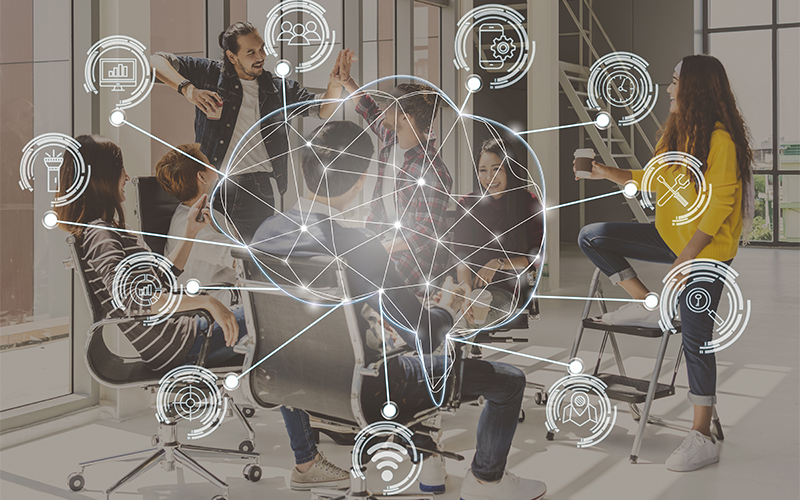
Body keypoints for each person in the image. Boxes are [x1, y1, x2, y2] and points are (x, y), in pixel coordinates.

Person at [252, 121, 547, 500]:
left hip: (292, 381)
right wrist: (446, 305)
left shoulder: (266, 233)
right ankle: (487, 482)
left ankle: (425, 463)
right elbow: (424, 337)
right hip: (367, 386)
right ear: (360, 182)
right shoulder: (359, 247)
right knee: (507, 380)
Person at [575, 55, 754, 472]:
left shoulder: (720, 140)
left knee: (695, 333)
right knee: (592, 236)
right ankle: (648, 302)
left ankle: (701, 434)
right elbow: (651, 178)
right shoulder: (676, 135)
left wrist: (686, 260)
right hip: (670, 239)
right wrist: (606, 172)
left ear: (693, 88)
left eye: (674, 82)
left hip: (706, 253)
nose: (668, 88)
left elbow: (718, 207)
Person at [55, 135, 247, 370]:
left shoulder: (105, 230)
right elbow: (135, 298)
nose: (126, 176)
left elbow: (158, 280)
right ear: (103, 177)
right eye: (120, 170)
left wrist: (190, 232)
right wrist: (208, 302)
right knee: (284, 319)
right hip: (183, 345)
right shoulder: (100, 233)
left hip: (182, 338)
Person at [151, 21, 351, 241]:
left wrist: (334, 84)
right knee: (214, 256)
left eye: (262, 49)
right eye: (251, 52)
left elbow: (322, 110)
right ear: (232, 56)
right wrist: (189, 90)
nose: (261, 56)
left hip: (257, 189)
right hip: (213, 186)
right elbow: (155, 61)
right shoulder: (209, 74)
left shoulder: (277, 89)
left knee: (254, 258)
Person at [335, 50, 453, 292]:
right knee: (342, 276)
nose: (384, 110)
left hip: (418, 259)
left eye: (390, 107)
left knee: (370, 287)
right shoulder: (392, 139)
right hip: (384, 243)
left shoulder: (433, 171)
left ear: (406, 118)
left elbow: (423, 235)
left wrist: (379, 250)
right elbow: (369, 110)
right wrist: (347, 81)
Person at [453, 138, 544, 329]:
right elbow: (462, 258)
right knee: (441, 319)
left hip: (505, 292)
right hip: (467, 288)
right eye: (483, 170)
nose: (489, 178)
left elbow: (534, 257)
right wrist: (466, 294)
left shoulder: (528, 202)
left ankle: (454, 358)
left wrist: (498, 263)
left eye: (496, 169)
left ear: (509, 169)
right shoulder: (467, 205)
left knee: (469, 322)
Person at [156, 144, 237, 306]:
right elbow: (234, 256)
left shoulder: (215, 215)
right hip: (212, 305)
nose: (214, 167)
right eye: (209, 164)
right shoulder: (184, 224)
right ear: (202, 177)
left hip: (229, 295)